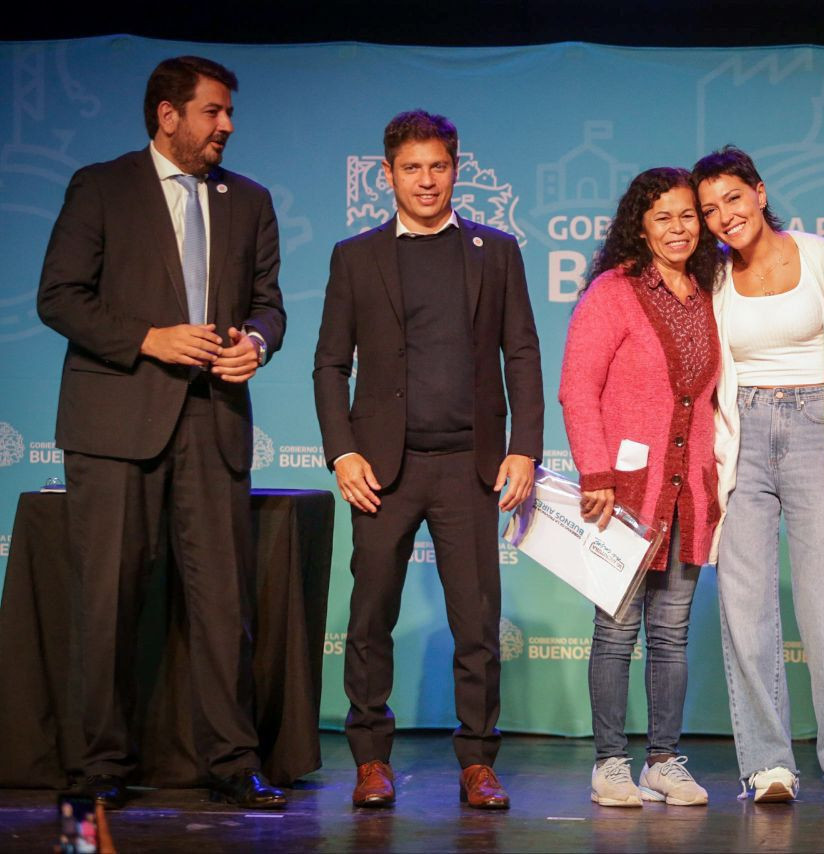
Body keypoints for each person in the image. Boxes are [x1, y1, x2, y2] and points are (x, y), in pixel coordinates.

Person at [36, 55, 287, 809]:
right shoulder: (102, 187)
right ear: (167, 115)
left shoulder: (249, 199)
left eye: (229, 113)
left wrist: (258, 344)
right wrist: (150, 337)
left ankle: (230, 760)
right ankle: (99, 768)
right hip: (116, 426)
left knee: (222, 606)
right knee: (106, 601)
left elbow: (270, 302)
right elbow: (60, 297)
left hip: (212, 425)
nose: (227, 127)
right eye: (213, 112)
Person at [313, 110, 543, 810]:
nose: (426, 180)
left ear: (456, 168)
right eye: (411, 168)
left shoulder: (494, 250)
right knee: (371, 614)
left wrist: (525, 448)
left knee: (476, 624)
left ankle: (477, 761)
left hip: (469, 468)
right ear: (387, 175)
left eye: (438, 166)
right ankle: (370, 759)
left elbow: (523, 354)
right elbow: (329, 364)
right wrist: (342, 451)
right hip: (384, 469)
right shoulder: (356, 256)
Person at [693, 146, 824, 804]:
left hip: (813, 433)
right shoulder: (711, 278)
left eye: (733, 200)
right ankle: (768, 765)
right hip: (740, 437)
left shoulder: (822, 257)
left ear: (760, 194)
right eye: (710, 209)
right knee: (746, 609)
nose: (724, 217)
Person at [560, 167, 721, 808]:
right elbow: (578, 387)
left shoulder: (708, 293)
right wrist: (595, 471)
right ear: (640, 224)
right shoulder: (614, 291)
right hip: (624, 492)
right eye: (664, 217)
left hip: (688, 494)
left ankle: (663, 759)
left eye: (688, 216)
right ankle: (609, 764)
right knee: (616, 630)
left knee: (672, 635)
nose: (679, 229)